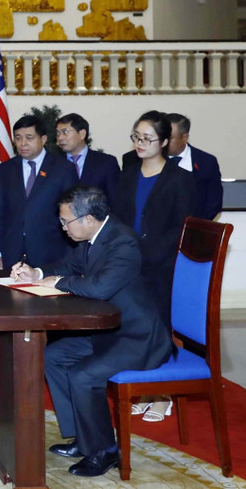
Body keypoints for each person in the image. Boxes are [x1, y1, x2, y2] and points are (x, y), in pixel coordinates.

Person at [13, 186, 172, 478]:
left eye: (66, 222)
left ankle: (105, 451)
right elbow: (67, 264)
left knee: (82, 375)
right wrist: (36, 274)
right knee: (53, 356)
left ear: (87, 218)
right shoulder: (92, 237)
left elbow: (100, 287)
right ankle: (82, 438)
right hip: (109, 331)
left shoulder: (124, 242)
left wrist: (58, 283)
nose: (62, 227)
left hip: (138, 336)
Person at [114, 111, 195, 424]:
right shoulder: (128, 173)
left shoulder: (179, 178)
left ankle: (163, 395)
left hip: (160, 266)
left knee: (158, 328)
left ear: (164, 142)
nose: (140, 143)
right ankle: (145, 388)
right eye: (136, 136)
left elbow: (182, 226)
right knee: (134, 329)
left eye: (147, 138)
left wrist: (148, 255)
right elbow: (119, 220)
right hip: (128, 263)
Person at [0, 115, 77, 268]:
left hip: (51, 251)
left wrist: (72, 253)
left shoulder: (63, 169)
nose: (23, 143)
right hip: (12, 252)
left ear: (43, 139)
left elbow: (72, 212)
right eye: (18, 138)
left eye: (29, 138)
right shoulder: (5, 170)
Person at [165, 113, 222, 220]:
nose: (164, 142)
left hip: (195, 230)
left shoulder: (206, 162)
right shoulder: (151, 160)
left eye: (170, 138)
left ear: (185, 137)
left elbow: (214, 203)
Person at [56, 113, 119, 206]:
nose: (60, 138)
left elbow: (115, 201)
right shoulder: (54, 163)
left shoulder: (106, 163)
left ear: (82, 134)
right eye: (58, 133)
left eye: (65, 132)